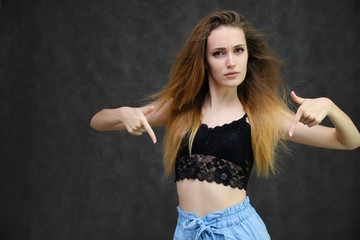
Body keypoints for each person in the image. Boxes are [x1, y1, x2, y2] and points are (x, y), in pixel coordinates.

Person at [90, 10, 360, 240]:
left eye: (238, 50)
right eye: (219, 53)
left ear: (247, 55)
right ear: (205, 61)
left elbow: (350, 140)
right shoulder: (181, 108)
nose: (231, 62)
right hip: (188, 231)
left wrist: (330, 106)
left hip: (237, 232)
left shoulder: (259, 115)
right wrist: (123, 114)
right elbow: (97, 121)